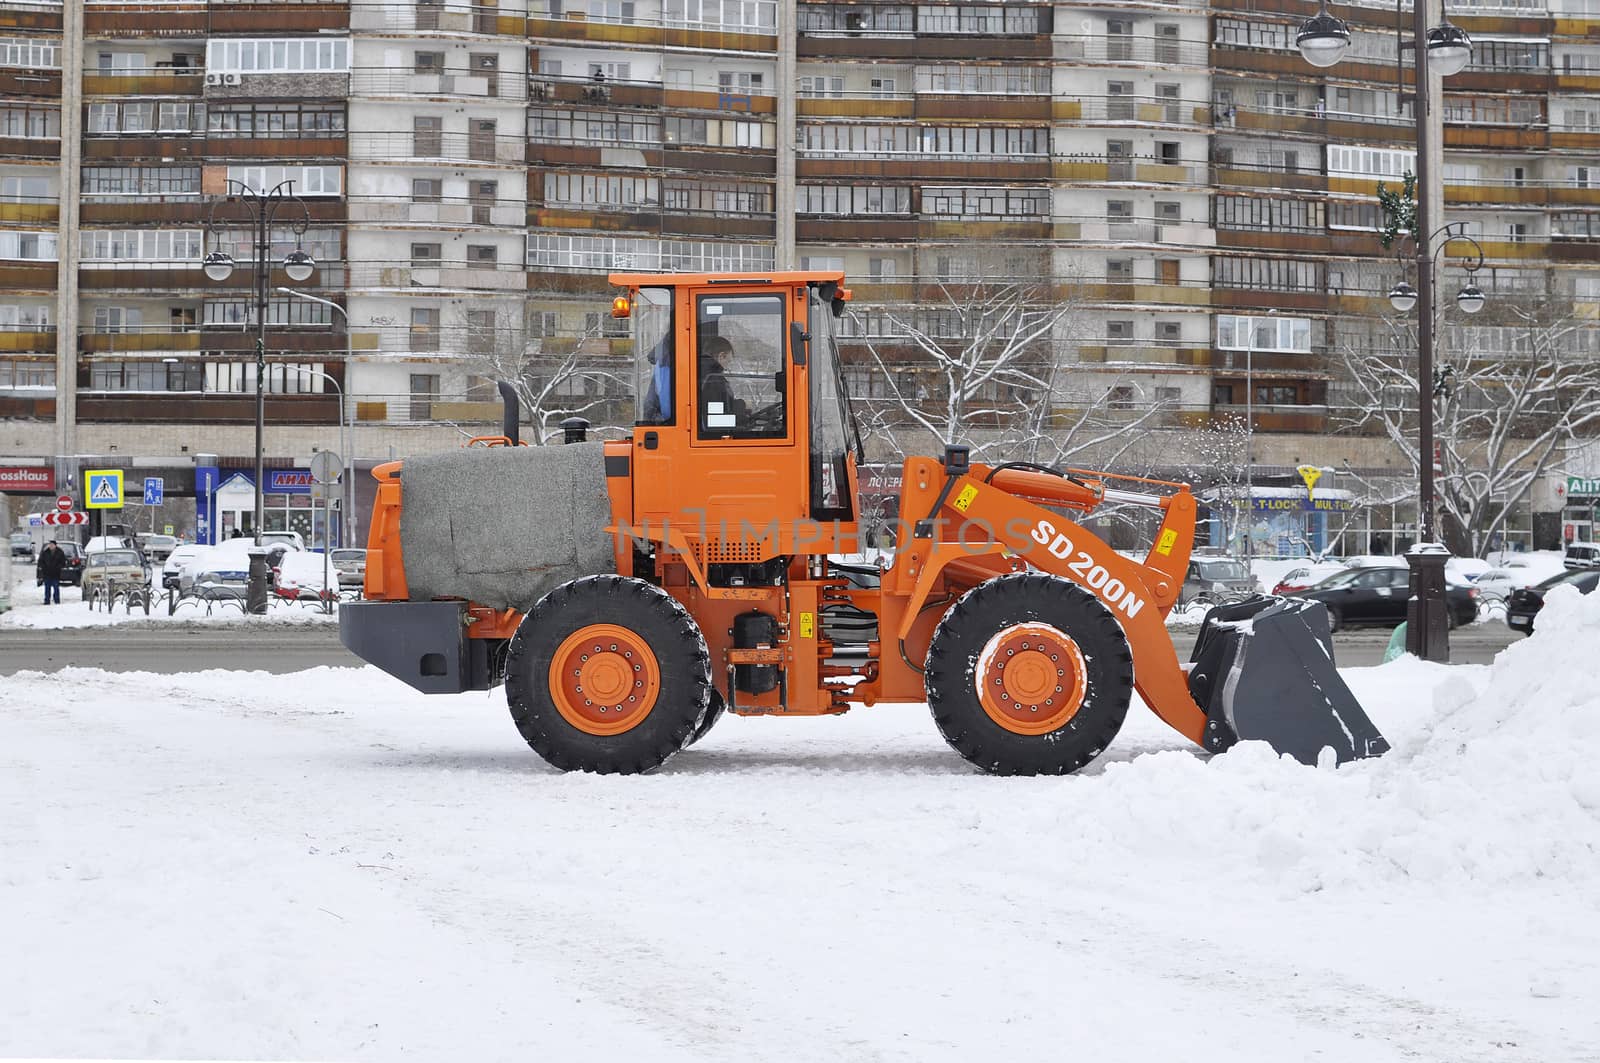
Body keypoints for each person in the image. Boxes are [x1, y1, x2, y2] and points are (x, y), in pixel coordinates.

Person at [36, 540, 65, 605]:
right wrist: (43, 567)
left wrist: (58, 567)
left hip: (56, 573)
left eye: (52, 545)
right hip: (47, 573)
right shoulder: (45, 552)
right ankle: (47, 600)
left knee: (56, 587)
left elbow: (63, 562)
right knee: (47, 588)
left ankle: (57, 600)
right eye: (50, 545)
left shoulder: (60, 552)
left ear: (55, 545)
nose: (51, 546)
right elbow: (41, 561)